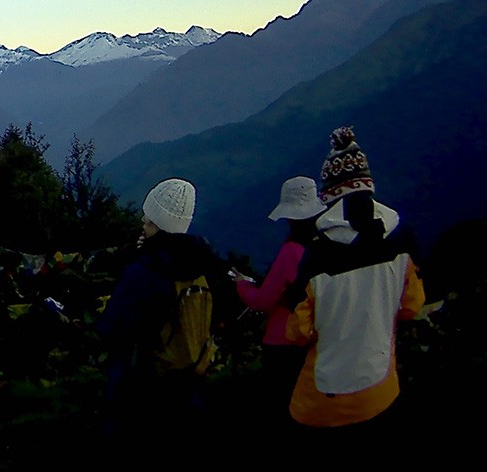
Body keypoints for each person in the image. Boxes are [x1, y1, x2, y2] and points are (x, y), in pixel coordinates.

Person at [285, 127, 424, 461]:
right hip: (382, 389)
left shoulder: (317, 259)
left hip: (324, 401)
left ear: (330, 198)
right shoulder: (401, 244)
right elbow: (411, 307)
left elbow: (297, 332)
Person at [95, 177, 226, 458]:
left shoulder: (145, 272)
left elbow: (112, 328)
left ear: (158, 225)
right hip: (190, 386)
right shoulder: (203, 266)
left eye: (148, 221)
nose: (143, 224)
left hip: (144, 390)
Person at [235, 176, 321, 427]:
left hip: (282, 340)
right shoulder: (323, 246)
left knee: (279, 406)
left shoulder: (291, 251)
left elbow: (262, 300)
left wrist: (242, 285)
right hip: (315, 338)